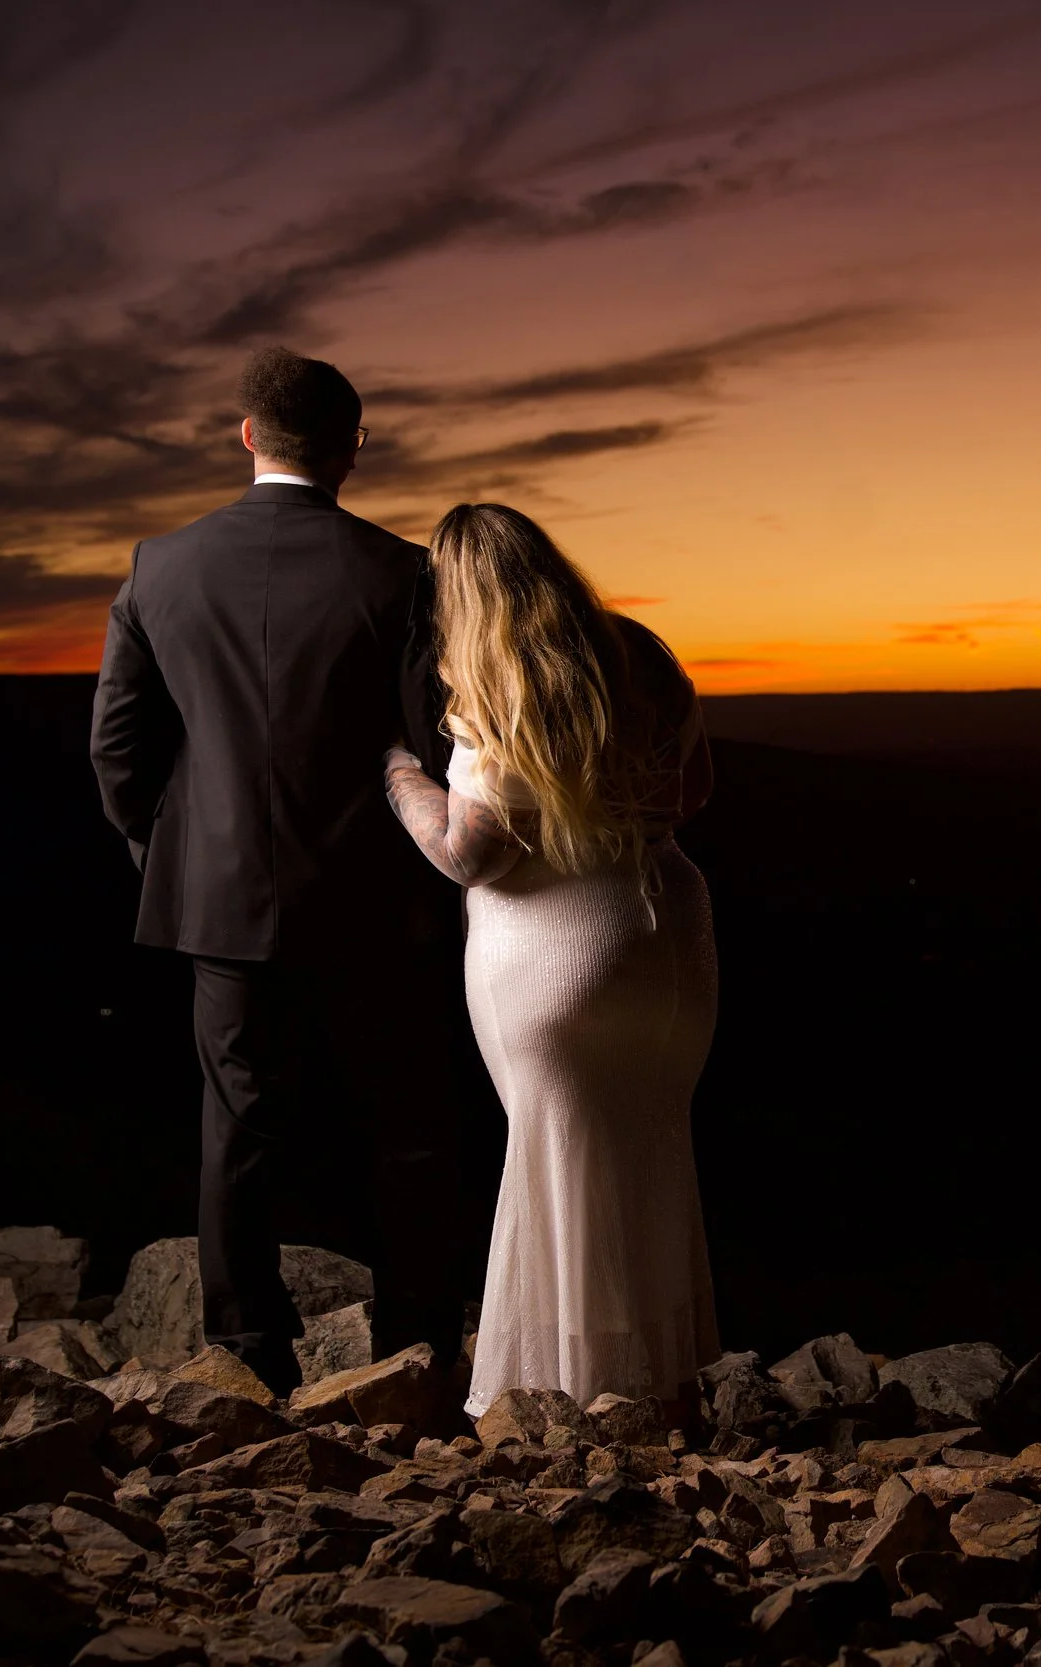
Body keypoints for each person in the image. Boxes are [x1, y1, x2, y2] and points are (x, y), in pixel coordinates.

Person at [90, 346, 475, 1393]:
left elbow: (118, 750)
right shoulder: (402, 574)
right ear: (354, 447)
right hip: (377, 901)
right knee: (407, 1128)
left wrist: (169, 851)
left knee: (239, 1127)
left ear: (247, 435)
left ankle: (249, 1349)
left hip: (220, 901)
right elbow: (434, 745)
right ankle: (419, 1344)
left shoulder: (159, 565)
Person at [381, 503, 721, 1420]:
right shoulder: (639, 649)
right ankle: (661, 1382)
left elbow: (467, 853)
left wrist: (400, 776)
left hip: (555, 948)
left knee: (556, 1158)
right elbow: (694, 790)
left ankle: (561, 1397)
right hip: (667, 936)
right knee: (648, 1146)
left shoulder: (497, 681)